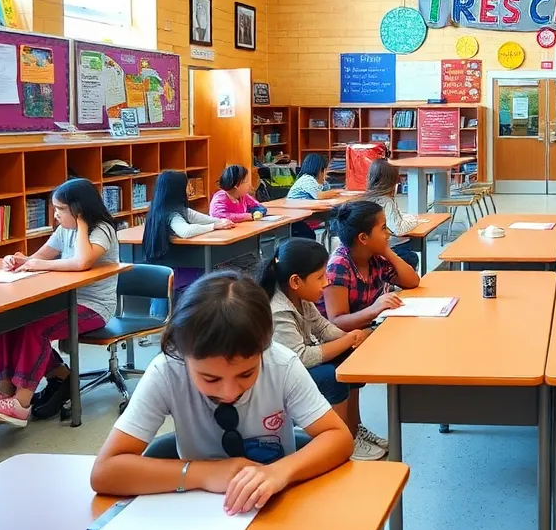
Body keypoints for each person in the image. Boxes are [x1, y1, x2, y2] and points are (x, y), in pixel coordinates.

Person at [90, 271, 353, 511]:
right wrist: (205, 474)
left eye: (246, 374)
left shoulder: (280, 364)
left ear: (264, 349)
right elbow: (105, 472)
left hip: (275, 507)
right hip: (197, 515)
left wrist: (279, 472)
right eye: (210, 378)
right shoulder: (168, 370)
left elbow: (338, 438)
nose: (229, 392)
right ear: (182, 355)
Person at [0, 179, 120, 427]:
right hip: (63, 302)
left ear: (78, 209)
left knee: (35, 329)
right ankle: (4, 392)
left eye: (61, 209)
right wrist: (17, 260)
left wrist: (81, 223)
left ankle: (20, 404)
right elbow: (37, 259)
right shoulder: (64, 229)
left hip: (93, 306)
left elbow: (81, 262)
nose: (56, 215)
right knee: (10, 322)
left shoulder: (101, 229)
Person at [260, 238, 381, 460]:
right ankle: (343, 442)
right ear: (296, 281)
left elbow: (324, 328)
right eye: (319, 277)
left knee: (350, 358)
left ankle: (354, 428)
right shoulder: (278, 310)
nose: (325, 283)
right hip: (276, 378)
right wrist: (351, 338)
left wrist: (352, 340)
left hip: (294, 366)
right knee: (330, 377)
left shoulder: (300, 297)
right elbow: (302, 357)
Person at [322, 201, 421, 459]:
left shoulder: (374, 258)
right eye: (383, 229)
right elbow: (335, 321)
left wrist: (387, 251)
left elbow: (412, 281)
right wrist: (374, 309)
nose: (388, 233)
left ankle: (356, 427)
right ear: (363, 237)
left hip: (361, 331)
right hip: (332, 338)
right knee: (350, 367)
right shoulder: (339, 266)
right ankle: (350, 434)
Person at [144, 169, 234, 298]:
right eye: (187, 185)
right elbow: (186, 231)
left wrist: (221, 221)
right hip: (173, 270)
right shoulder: (172, 215)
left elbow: (199, 218)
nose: (190, 188)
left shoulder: (166, 211)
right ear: (177, 190)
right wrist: (213, 226)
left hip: (170, 268)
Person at [362, 158, 421, 271]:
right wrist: (414, 220)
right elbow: (399, 229)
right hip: (390, 247)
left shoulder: (366, 199)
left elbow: (392, 220)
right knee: (412, 257)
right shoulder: (386, 202)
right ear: (391, 183)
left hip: (372, 248)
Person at [287, 153, 339, 239]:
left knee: (334, 213)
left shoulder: (317, 182)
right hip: (295, 215)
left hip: (303, 212)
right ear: (320, 170)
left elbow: (327, 190)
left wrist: (323, 182)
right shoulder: (307, 179)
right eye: (325, 170)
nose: (326, 173)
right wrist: (334, 192)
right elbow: (319, 196)